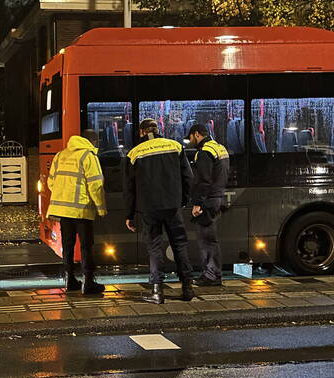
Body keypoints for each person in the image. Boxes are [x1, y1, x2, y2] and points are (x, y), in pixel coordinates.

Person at [124, 118, 195, 304]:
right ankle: (187, 287)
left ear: (141, 132)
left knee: (154, 247)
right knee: (179, 245)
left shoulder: (134, 153)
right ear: (158, 129)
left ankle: (157, 291)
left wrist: (129, 215)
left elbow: (129, 188)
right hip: (173, 206)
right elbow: (188, 177)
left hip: (149, 209)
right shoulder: (175, 146)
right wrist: (184, 200)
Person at [46, 130, 107, 294]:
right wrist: (101, 208)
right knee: (87, 246)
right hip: (82, 210)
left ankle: (69, 280)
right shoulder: (88, 156)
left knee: (68, 245)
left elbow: (51, 182)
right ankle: (88, 282)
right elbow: (96, 185)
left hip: (63, 211)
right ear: (92, 141)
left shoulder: (60, 155)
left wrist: (64, 195)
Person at [188, 123, 230, 286]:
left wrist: (198, 203)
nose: (190, 141)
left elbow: (203, 180)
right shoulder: (220, 148)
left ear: (197, 134)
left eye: (190, 137)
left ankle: (211, 275)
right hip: (217, 197)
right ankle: (213, 273)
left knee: (206, 240)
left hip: (207, 201)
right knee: (210, 239)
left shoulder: (204, 152)